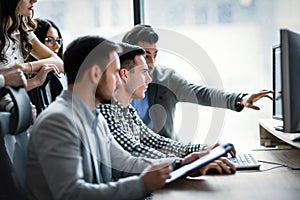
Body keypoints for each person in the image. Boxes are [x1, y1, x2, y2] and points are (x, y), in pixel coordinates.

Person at [26, 36, 231, 200]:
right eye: (115, 73)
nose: (119, 81)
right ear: (95, 74)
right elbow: (72, 194)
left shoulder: (93, 116)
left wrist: (181, 165)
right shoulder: (59, 121)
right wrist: (142, 185)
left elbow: (126, 163)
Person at [98, 42, 235, 171]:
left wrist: (202, 149)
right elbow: (135, 150)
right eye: (143, 72)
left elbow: (157, 142)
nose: (149, 79)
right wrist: (183, 163)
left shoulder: (127, 110)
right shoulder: (105, 111)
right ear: (125, 74)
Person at [122, 24, 273, 140]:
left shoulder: (166, 79)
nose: (151, 63)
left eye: (155, 55)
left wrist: (240, 99)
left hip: (167, 158)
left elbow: (202, 94)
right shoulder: (114, 90)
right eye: (146, 55)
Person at [0, 0, 63, 93]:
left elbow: (59, 63)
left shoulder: (22, 30)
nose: (34, 1)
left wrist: (22, 69)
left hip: (17, 106)